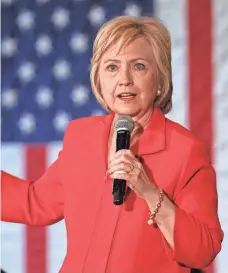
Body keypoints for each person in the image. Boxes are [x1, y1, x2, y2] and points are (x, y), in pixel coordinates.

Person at [1, 15, 224, 273]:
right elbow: (36, 203)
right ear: (99, 78)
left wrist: (149, 192)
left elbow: (202, 251)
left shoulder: (185, 151)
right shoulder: (81, 136)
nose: (125, 79)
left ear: (160, 80)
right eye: (112, 67)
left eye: (139, 66)